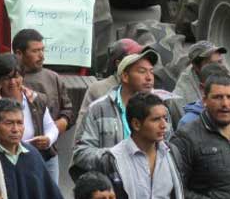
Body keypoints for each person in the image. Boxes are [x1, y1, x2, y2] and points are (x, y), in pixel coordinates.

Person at [97, 93, 204, 199]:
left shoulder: (172, 154)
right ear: (136, 124)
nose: (164, 125)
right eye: (156, 120)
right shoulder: (113, 161)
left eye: (165, 118)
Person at [72, 46, 179, 174]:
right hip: (112, 187)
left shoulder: (161, 110)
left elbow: (169, 148)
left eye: (151, 72)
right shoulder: (99, 109)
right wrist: (116, 159)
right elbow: (81, 153)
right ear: (125, 76)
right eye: (142, 71)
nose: (149, 77)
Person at [172, 41, 230, 115]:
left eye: (220, 62)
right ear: (196, 67)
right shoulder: (182, 95)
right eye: (212, 63)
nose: (218, 67)